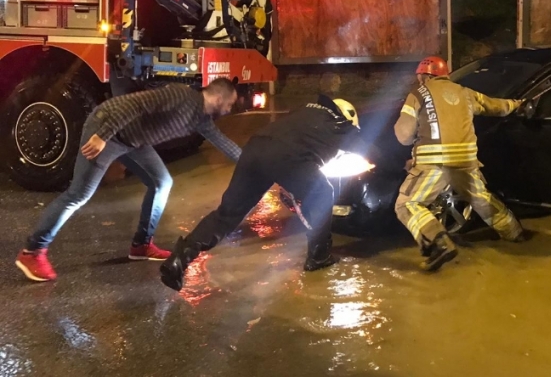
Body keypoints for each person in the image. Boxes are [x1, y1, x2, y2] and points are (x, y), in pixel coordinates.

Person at [15, 78, 242, 282]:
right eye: (229, 104)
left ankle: (141, 245)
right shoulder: (181, 95)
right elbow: (134, 104)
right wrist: (102, 136)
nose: (229, 109)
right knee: (78, 195)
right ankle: (32, 251)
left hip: (133, 141)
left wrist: (254, 163)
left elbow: (222, 142)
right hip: (106, 129)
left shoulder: (200, 119)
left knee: (161, 182)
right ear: (219, 98)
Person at [160, 94, 367, 291]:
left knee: (227, 214)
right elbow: (370, 152)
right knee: (323, 193)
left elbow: (295, 143)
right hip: (287, 156)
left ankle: (180, 258)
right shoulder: (343, 126)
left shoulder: (304, 111)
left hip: (255, 147)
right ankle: (319, 257)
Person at [393, 56, 526, 272]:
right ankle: (514, 234)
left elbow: (404, 135)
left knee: (407, 204)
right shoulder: (465, 92)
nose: (419, 82)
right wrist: (517, 104)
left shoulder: (417, 95)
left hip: (434, 162)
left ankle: (439, 243)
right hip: (466, 160)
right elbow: (496, 106)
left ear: (425, 76)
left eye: (419, 78)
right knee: (480, 198)